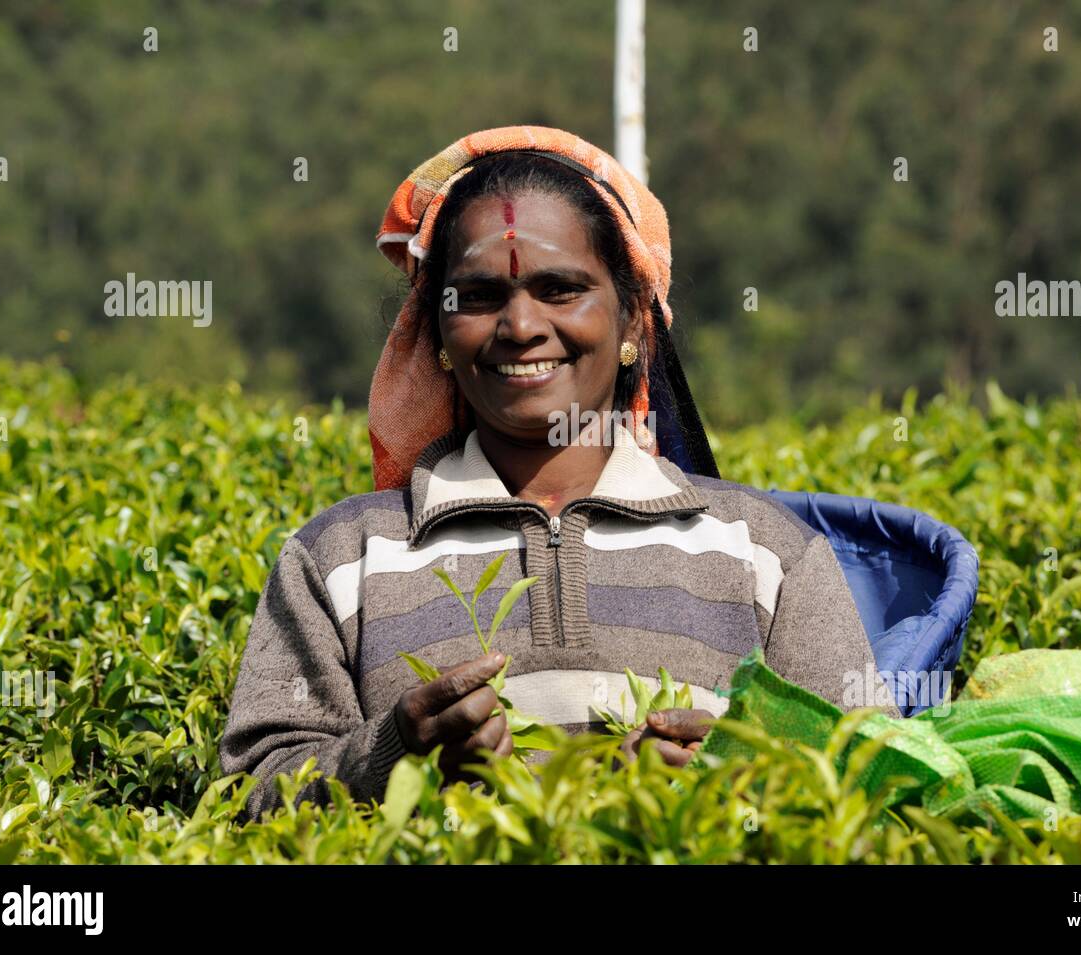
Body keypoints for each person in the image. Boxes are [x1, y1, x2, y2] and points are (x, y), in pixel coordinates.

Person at [220, 126, 900, 820]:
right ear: (440, 334)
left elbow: (886, 784)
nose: (520, 325)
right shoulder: (341, 558)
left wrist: (740, 783)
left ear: (634, 317)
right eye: (480, 296)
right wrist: (393, 754)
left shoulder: (763, 552)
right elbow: (241, 798)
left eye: (560, 288)